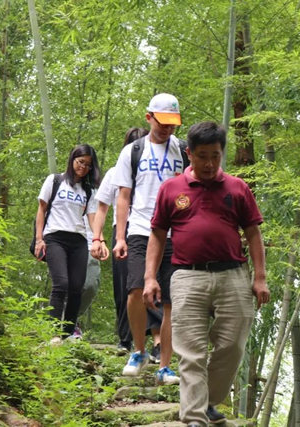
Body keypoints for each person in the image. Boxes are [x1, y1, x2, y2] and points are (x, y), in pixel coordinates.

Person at [144, 121, 271, 426]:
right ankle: (195, 418)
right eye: (203, 156)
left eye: (216, 155)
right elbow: (158, 234)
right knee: (191, 352)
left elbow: (253, 233)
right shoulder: (171, 189)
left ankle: (209, 400)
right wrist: (149, 277)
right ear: (189, 154)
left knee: (232, 346)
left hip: (234, 276)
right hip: (187, 276)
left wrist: (260, 277)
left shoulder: (238, 187)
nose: (210, 163)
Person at [111, 93, 186, 385]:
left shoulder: (182, 150)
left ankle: (165, 366)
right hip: (141, 228)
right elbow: (123, 196)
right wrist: (120, 237)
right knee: (135, 290)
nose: (167, 129)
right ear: (149, 117)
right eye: (162, 122)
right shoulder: (133, 151)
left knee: (169, 302)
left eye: (172, 124)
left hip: (174, 232)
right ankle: (139, 351)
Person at [90, 127, 164, 357]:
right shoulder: (115, 173)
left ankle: (157, 341)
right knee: (126, 287)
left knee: (154, 283)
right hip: (122, 231)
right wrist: (97, 237)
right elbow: (102, 207)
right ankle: (126, 338)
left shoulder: (159, 168)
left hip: (153, 231)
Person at [34, 144, 100, 343]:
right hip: (55, 237)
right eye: (80, 162)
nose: (83, 167)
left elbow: (92, 217)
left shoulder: (89, 190)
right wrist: (39, 239)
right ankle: (54, 333)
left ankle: (68, 333)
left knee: (77, 287)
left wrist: (98, 239)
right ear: (72, 160)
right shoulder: (55, 181)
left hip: (78, 240)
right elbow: (41, 210)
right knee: (61, 283)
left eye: (88, 165)